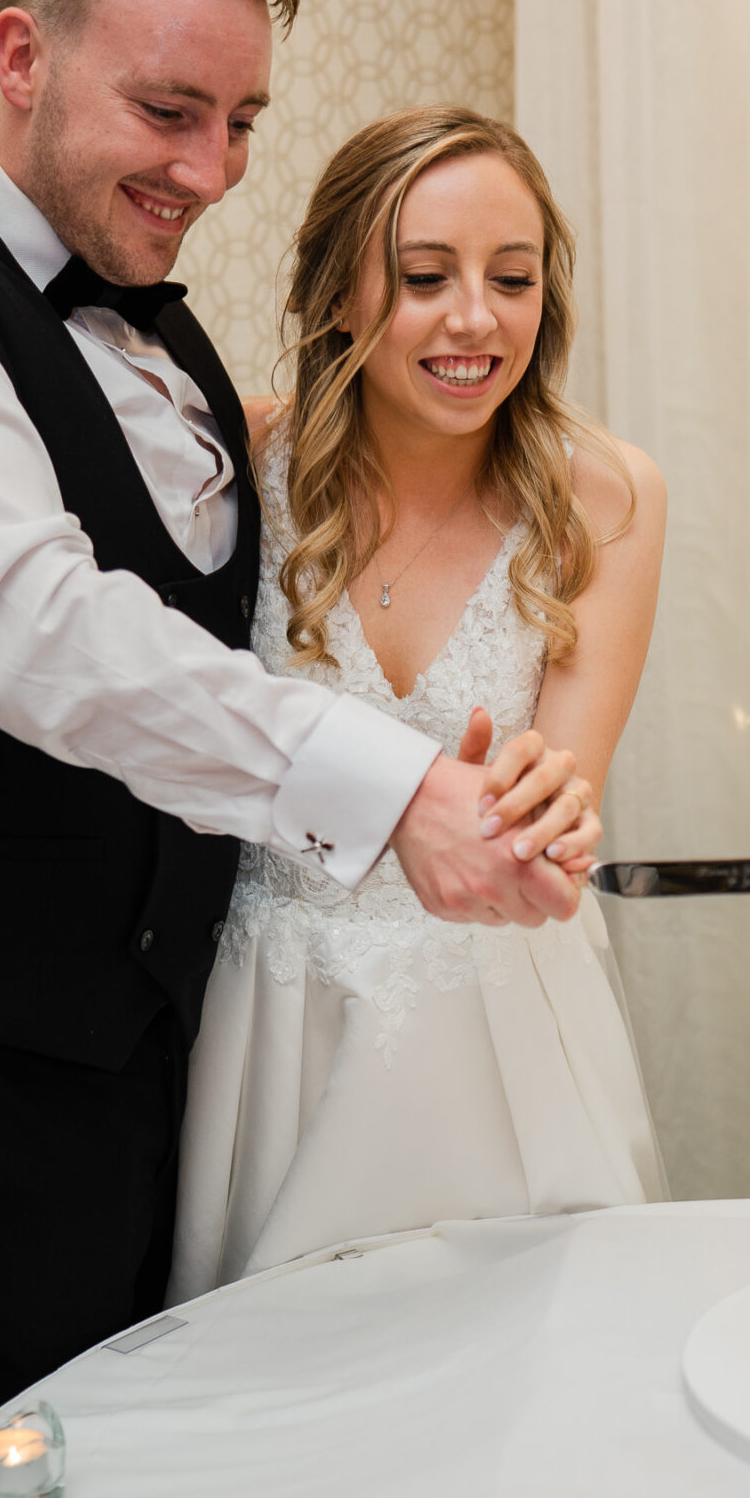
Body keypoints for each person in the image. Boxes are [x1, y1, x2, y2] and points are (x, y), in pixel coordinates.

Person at [0, 0, 590, 1498]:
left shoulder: (186, 352)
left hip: (168, 1053)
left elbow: (220, 621)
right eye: (169, 110)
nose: (210, 169)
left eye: (245, 121)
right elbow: (33, 626)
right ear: (18, 57)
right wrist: (399, 792)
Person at [170, 107, 668, 1298]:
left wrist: (556, 809)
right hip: (266, 1025)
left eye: (514, 278)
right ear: (340, 290)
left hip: (499, 1043)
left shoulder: (606, 496)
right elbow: (86, 640)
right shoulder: (231, 461)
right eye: (425, 276)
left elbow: (566, 787)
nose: (476, 320)